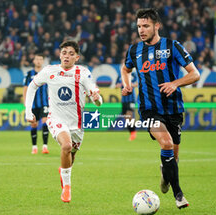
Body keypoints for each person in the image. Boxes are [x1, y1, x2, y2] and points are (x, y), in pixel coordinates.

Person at [121, 8, 200, 209]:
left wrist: (175, 83)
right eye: (139, 26)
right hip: (149, 109)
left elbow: (194, 74)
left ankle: (165, 174)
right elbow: (125, 68)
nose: (141, 30)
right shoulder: (134, 50)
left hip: (173, 108)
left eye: (146, 26)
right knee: (166, 143)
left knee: (173, 155)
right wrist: (126, 84)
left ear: (157, 25)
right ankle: (179, 195)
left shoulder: (173, 46)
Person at [25, 41, 102, 203]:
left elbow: (97, 99)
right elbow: (32, 86)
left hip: (77, 124)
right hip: (56, 119)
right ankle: (67, 188)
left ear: (77, 57)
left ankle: (64, 172)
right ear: (60, 55)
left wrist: (97, 99)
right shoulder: (50, 71)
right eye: (64, 52)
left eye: (71, 53)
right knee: (66, 146)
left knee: (71, 155)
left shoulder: (83, 73)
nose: (67, 56)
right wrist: (28, 110)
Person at [23, 54, 50, 154]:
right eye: (37, 59)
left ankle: (45, 147)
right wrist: (26, 103)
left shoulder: (46, 73)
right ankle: (34, 147)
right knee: (34, 124)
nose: (38, 61)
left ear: (43, 61)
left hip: (44, 103)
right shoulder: (29, 74)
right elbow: (25, 88)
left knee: (45, 121)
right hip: (33, 104)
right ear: (34, 61)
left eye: (40, 59)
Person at [116, 72, 138, 141]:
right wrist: (120, 85)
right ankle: (132, 132)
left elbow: (137, 83)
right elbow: (116, 85)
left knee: (129, 115)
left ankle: (133, 133)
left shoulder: (133, 74)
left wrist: (130, 84)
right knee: (127, 118)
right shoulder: (120, 75)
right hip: (124, 100)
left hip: (131, 99)